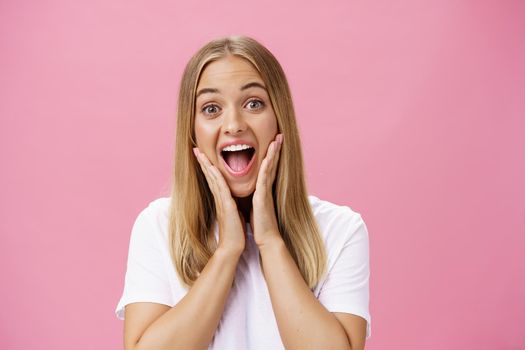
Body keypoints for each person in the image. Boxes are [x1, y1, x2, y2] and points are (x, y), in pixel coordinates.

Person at [115, 35, 371, 350]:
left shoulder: (340, 230)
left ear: (280, 119)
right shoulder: (157, 225)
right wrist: (227, 252)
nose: (234, 124)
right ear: (192, 133)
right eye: (211, 108)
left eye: (253, 103)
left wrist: (270, 242)